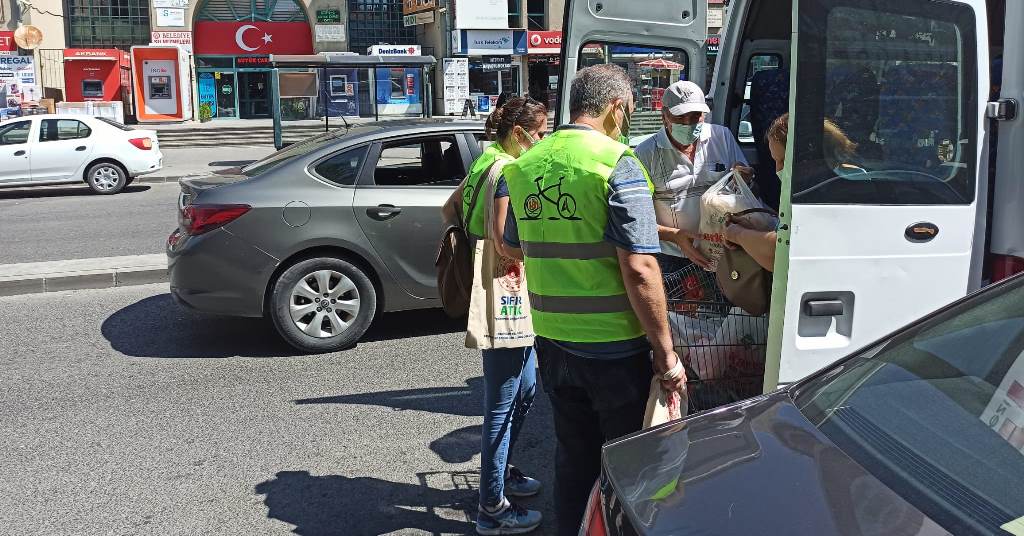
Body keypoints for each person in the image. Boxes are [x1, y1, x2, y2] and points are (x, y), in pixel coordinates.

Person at [501, 64, 687, 536]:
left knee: (574, 457)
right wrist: (667, 357)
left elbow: (512, 243)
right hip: (614, 347)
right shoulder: (617, 162)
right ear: (616, 108)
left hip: (551, 340)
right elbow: (641, 267)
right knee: (629, 466)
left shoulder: (525, 165)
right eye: (625, 114)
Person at [462, 96, 550, 536]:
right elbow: (501, 240)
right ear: (519, 134)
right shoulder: (506, 171)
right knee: (501, 400)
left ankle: (501, 475)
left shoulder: (485, 161)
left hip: (496, 289)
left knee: (526, 387)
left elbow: (450, 212)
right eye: (541, 130)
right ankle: (491, 506)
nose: (544, 137)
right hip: (506, 291)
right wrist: (543, 254)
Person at [635, 81, 753, 273]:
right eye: (681, 117)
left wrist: (745, 178)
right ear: (664, 116)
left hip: (721, 249)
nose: (688, 123)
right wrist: (675, 236)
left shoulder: (721, 137)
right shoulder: (646, 153)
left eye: (696, 116)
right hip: (672, 255)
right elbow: (638, 218)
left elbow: (744, 190)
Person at [725, 113, 861, 271]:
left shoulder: (832, 189)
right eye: (775, 161)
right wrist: (752, 228)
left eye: (783, 160)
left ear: (806, 155)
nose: (778, 169)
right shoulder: (844, 176)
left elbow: (779, 254)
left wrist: (737, 234)